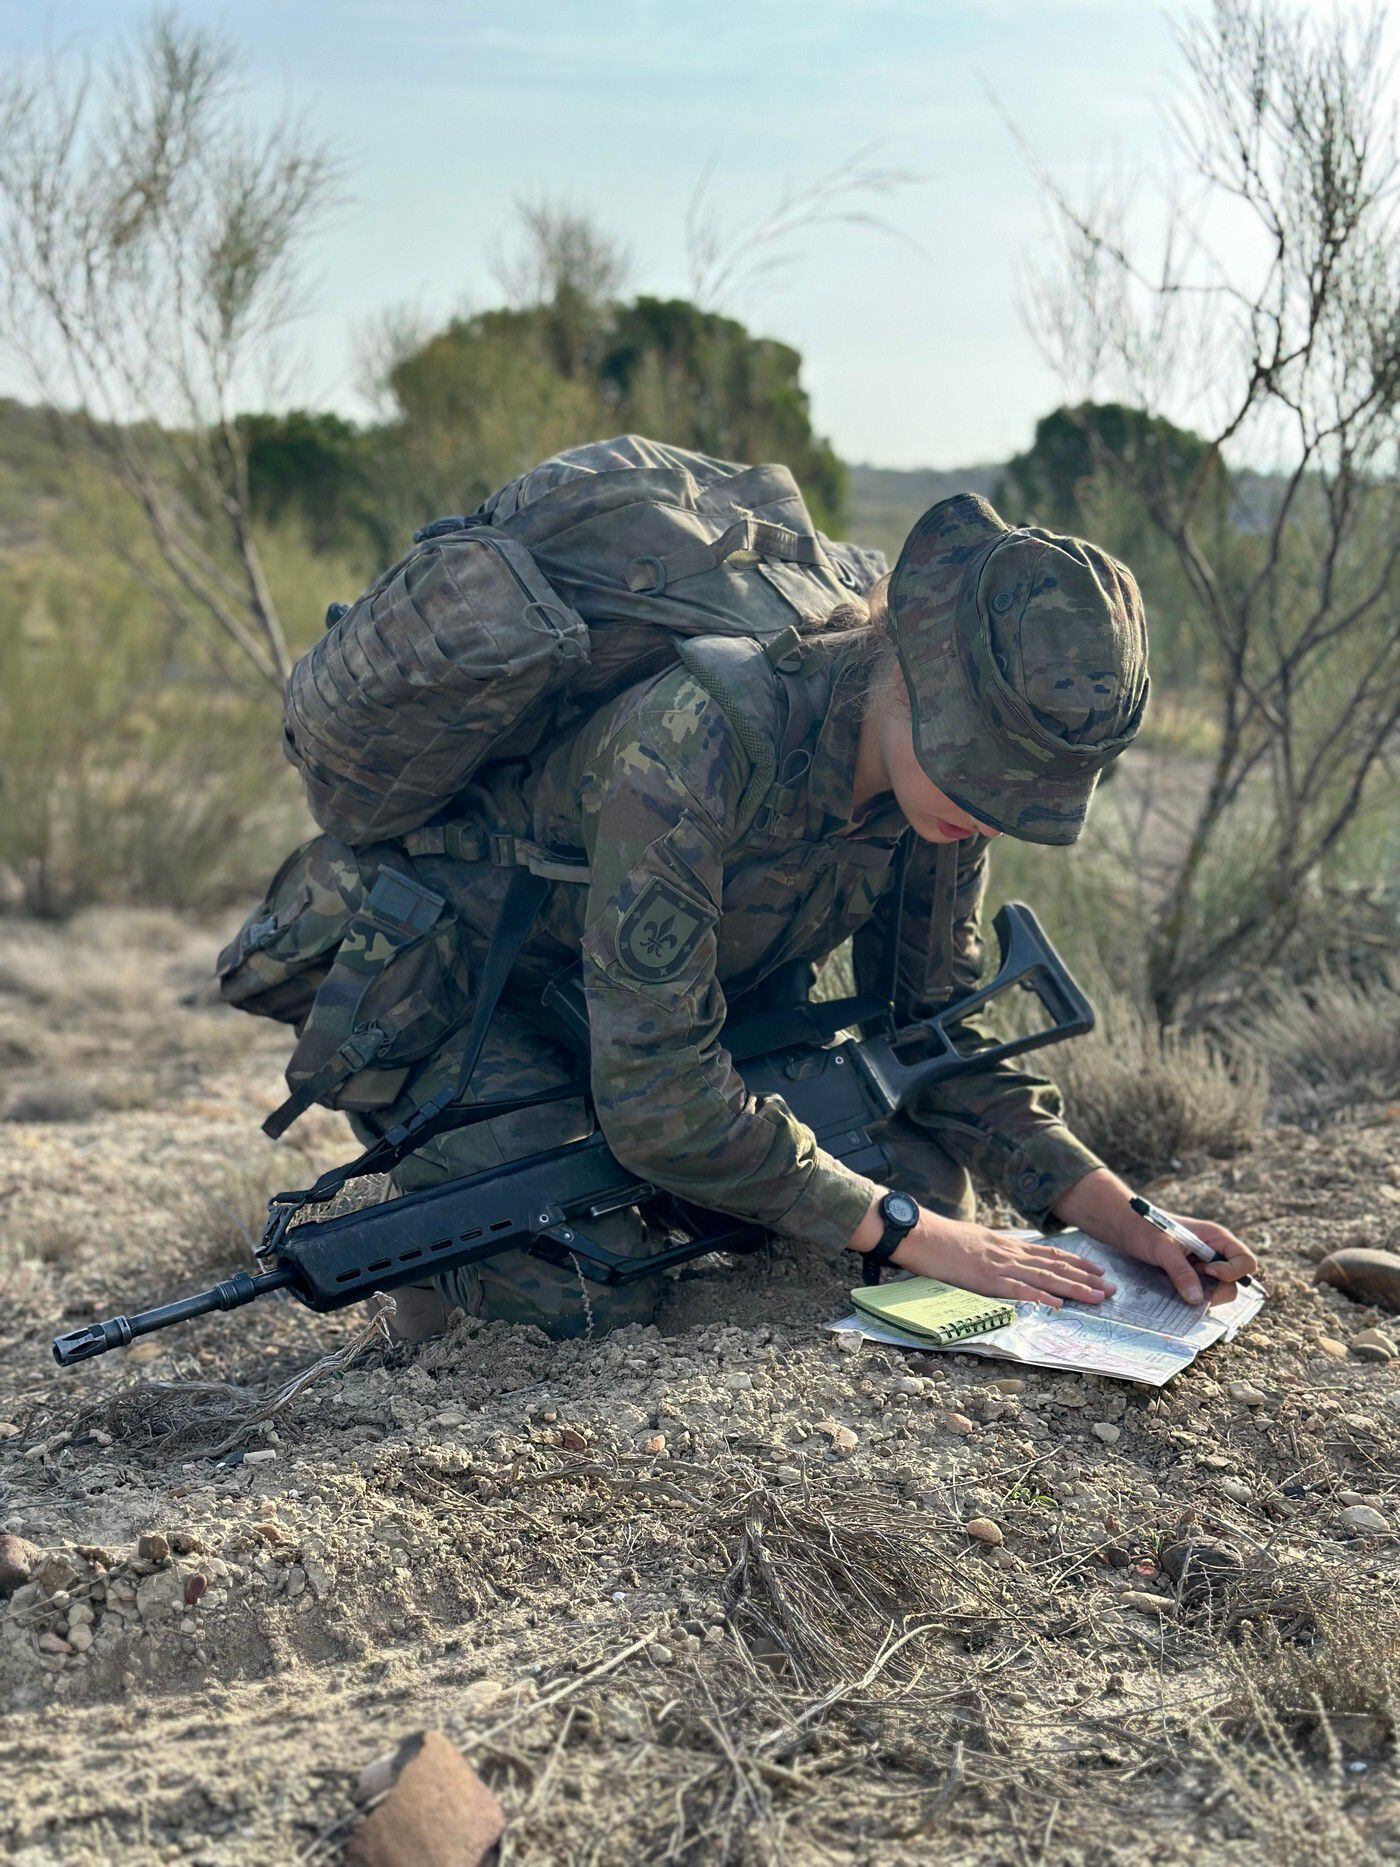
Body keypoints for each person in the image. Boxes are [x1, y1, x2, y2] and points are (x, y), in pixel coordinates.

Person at [329, 453, 1257, 1341]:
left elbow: (935, 1029)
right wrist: (915, 1234)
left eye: (1022, 797)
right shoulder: (698, 738)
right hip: (483, 1004)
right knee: (584, 1295)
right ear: (913, 670)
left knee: (927, 1185)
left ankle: (671, 1190)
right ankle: (439, 1197)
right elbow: (657, 1097)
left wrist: (1124, 1215)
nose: (991, 815)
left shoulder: (938, 802)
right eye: (982, 771)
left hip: (689, 1023)